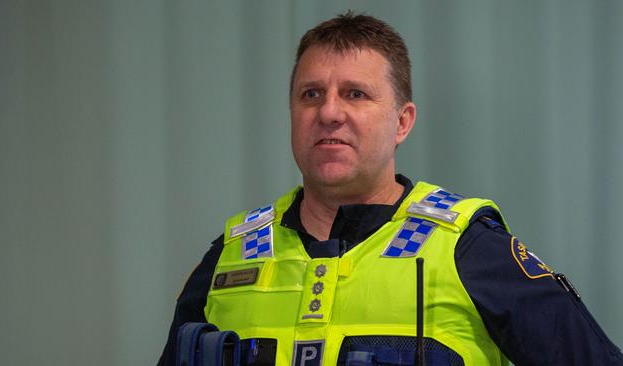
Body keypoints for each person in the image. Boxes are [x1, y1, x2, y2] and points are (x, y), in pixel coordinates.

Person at [159, 12, 622, 366]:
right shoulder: (229, 256)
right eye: (311, 94)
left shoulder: (471, 249)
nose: (329, 113)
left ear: (402, 122)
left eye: (356, 94)